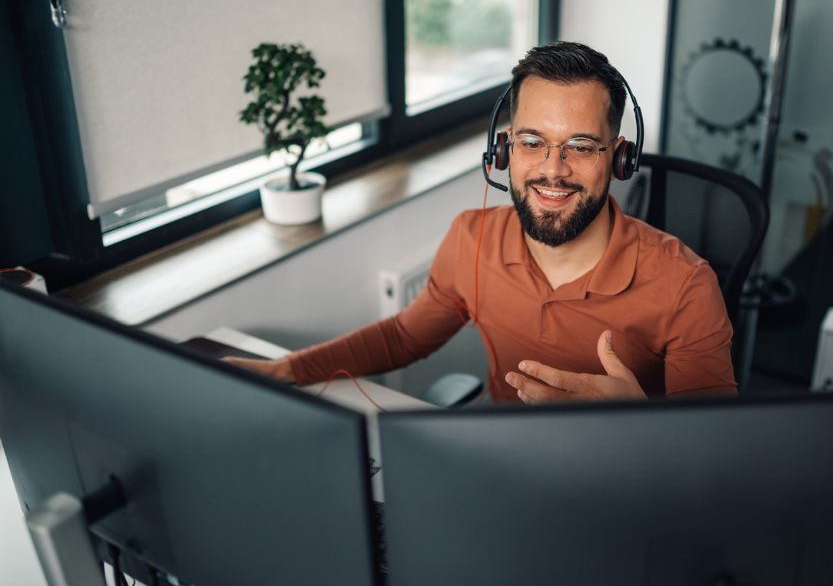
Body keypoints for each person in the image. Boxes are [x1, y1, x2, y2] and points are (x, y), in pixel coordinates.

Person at [226, 42, 737, 402]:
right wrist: (288, 369)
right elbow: (404, 337)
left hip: (625, 492)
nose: (552, 170)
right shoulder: (471, 238)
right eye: (532, 142)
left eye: (581, 146)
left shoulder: (684, 286)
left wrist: (637, 425)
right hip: (500, 475)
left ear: (620, 158)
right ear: (503, 149)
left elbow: (718, 456)